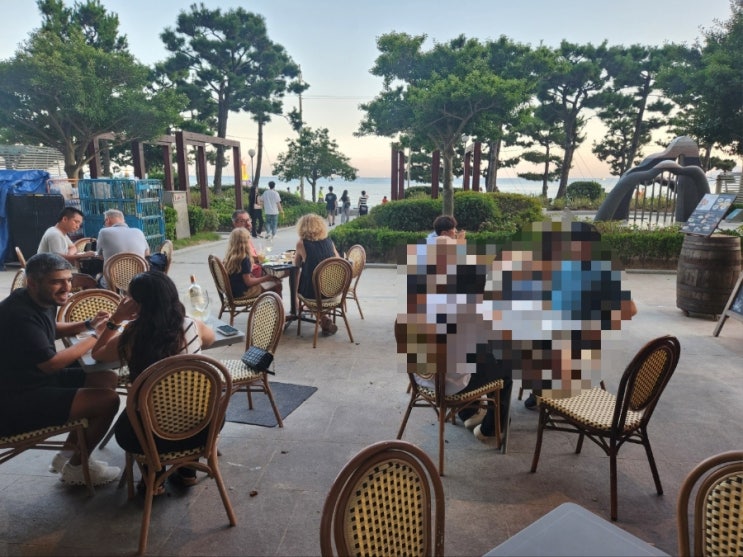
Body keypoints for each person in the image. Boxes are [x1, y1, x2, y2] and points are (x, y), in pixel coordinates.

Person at [0, 253, 121, 485]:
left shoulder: (33, 299)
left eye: (68, 279)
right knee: (108, 401)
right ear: (32, 283)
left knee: (105, 377)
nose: (67, 287)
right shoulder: (19, 316)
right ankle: (77, 469)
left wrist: (87, 324)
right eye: (56, 281)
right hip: (15, 401)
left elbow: (48, 328)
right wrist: (96, 335)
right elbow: (52, 364)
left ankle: (66, 456)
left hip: (33, 380)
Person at [90, 271, 216, 489]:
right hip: (204, 428)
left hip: (147, 436)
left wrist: (115, 320)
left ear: (137, 304)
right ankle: (187, 471)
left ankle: (153, 476)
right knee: (186, 403)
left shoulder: (132, 335)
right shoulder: (192, 325)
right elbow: (210, 340)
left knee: (141, 413)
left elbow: (98, 354)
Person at [293, 213, 340, 336]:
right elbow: (339, 261)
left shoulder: (301, 244)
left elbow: (295, 265)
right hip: (332, 290)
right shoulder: (329, 242)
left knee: (304, 284)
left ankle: (301, 308)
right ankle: (324, 320)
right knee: (315, 285)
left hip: (314, 294)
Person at [96, 209, 150, 287]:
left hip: (113, 284)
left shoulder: (103, 232)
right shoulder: (138, 231)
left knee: (97, 276)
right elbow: (147, 253)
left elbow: (99, 255)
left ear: (107, 220)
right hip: (139, 281)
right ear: (123, 220)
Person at [222, 228, 282, 298]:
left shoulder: (230, 257)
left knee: (270, 282)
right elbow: (249, 282)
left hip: (234, 291)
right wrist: (267, 278)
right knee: (277, 284)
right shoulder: (244, 258)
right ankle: (275, 305)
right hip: (244, 292)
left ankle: (268, 304)